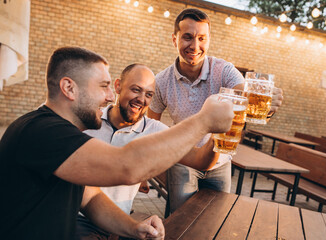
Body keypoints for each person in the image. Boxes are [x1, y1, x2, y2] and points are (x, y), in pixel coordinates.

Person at [0, 46, 235, 240]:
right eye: (103, 86)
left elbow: (90, 198)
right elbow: (127, 166)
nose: (110, 97)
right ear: (69, 88)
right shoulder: (43, 131)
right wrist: (204, 121)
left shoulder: (61, 132)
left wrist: (134, 228)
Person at [148, 8, 284, 213]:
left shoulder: (224, 70)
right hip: (183, 160)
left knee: (214, 220)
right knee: (180, 219)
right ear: (174, 40)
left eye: (202, 38)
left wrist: (264, 104)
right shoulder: (161, 81)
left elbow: (243, 93)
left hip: (219, 161)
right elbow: (151, 127)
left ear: (209, 40)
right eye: (187, 37)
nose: (195, 46)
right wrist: (150, 170)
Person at [77, 63, 221, 239]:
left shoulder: (155, 131)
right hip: (80, 218)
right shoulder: (90, 119)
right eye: (136, 90)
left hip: (120, 223)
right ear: (117, 86)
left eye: (149, 94)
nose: (141, 99)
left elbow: (200, 161)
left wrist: (220, 134)